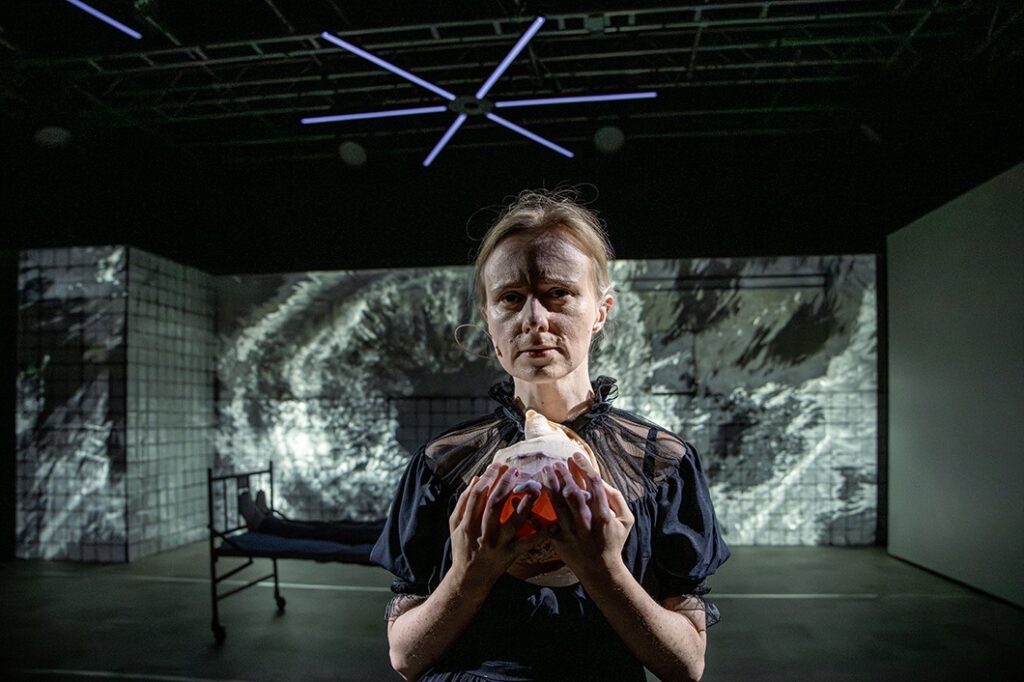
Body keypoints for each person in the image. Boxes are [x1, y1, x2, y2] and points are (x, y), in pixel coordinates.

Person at [370, 190, 730, 682]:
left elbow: (686, 664)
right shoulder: (443, 464)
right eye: (510, 298)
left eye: (558, 293)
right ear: (489, 320)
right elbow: (405, 658)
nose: (534, 320)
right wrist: (472, 571)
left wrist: (603, 569)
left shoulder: (660, 463)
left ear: (600, 310)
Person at [238, 490, 385, 545]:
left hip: (385, 539)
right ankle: (270, 521)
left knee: (329, 531)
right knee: (333, 527)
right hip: (386, 534)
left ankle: (264, 524)